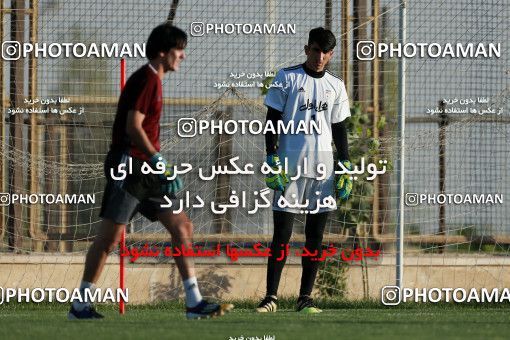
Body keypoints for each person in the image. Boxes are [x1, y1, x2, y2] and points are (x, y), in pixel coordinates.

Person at [68, 23, 233, 320]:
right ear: (162, 52)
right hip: (128, 167)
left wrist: (159, 165)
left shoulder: (155, 80)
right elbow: (133, 126)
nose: (183, 56)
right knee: (109, 239)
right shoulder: (146, 80)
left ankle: (194, 303)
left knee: (182, 227)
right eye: (178, 50)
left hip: (146, 169)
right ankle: (80, 305)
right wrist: (158, 159)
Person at [256, 27, 352, 313]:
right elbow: (271, 120)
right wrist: (271, 156)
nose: (320, 56)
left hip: (322, 173)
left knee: (315, 236)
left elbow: (339, 129)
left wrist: (344, 164)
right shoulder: (286, 78)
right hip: (289, 169)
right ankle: (271, 298)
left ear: (331, 54)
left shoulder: (336, 85)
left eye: (326, 52)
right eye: (315, 50)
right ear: (306, 48)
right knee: (282, 234)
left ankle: (304, 298)